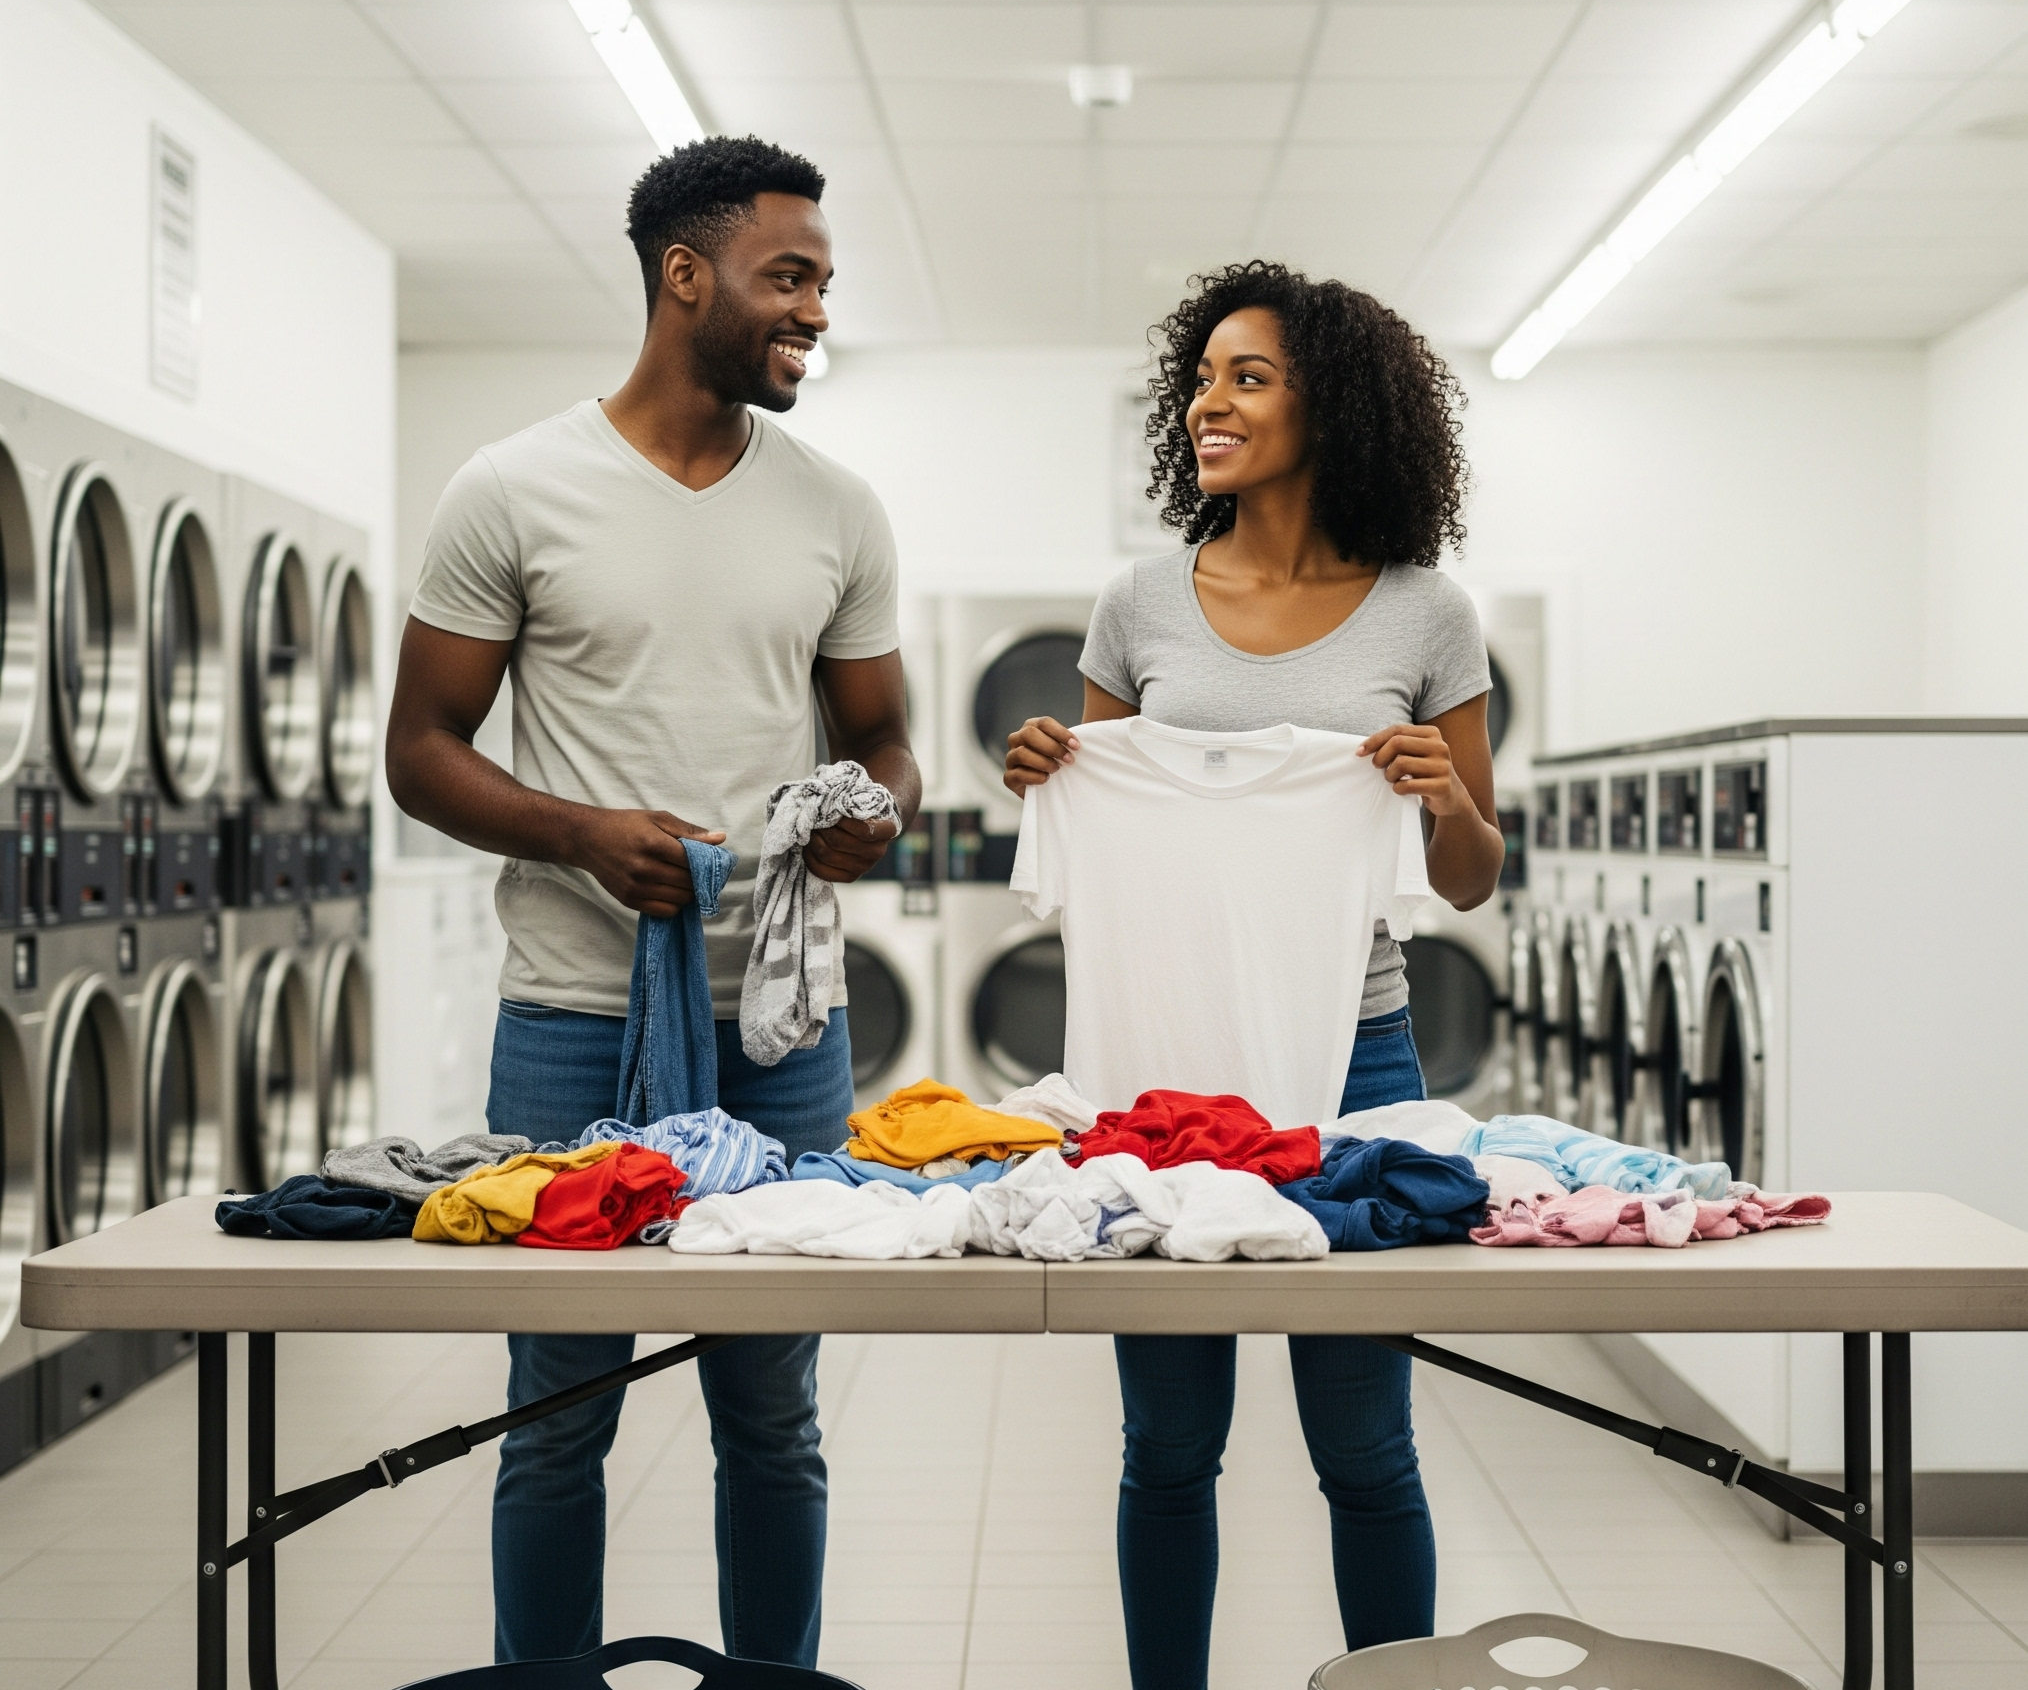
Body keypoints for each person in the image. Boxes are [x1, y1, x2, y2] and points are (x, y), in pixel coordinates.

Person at [386, 135, 919, 1667]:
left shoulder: (837, 508)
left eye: (824, 279)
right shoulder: (511, 490)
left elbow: (884, 738)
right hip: (572, 1024)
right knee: (559, 1416)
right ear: (686, 276)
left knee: (776, 1421)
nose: (816, 309)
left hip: (777, 1031)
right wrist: (576, 834)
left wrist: (875, 805)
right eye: (789, 276)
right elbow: (421, 754)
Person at [1002, 260, 1503, 1688]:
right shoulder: (1139, 607)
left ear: (1331, 405)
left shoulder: (1424, 614)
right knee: (1167, 1445)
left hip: (1361, 1067)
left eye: (1247, 377)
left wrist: (1442, 798)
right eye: (1202, 378)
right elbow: (1101, 807)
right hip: (1161, 1081)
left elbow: (1469, 873)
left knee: (1365, 1443)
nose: (1207, 402)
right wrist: (1048, 769)